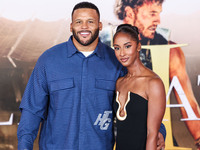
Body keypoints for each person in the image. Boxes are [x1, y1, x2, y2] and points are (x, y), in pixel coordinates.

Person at [17, 2, 166, 150]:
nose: (84, 27)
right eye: (78, 22)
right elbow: (32, 110)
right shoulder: (48, 60)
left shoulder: (116, 61)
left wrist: (160, 131)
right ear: (71, 26)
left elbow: (139, 105)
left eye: (90, 21)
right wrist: (24, 146)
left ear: (100, 26)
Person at [114, 0, 200, 147]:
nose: (158, 20)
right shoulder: (117, 78)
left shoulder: (169, 54)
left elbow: (188, 105)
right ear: (129, 12)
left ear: (138, 46)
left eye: (128, 46)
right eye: (152, 13)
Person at [113, 24, 166, 150]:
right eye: (117, 48)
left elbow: (152, 134)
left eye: (127, 46)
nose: (122, 53)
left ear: (138, 46)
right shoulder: (119, 82)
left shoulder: (153, 83)